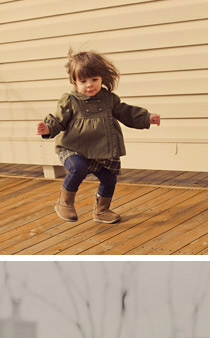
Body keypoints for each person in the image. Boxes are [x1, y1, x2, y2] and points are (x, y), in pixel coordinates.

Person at [36, 49, 160, 224]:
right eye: (83, 81)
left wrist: (146, 118)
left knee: (109, 179)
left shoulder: (109, 99)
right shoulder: (70, 100)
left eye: (94, 79)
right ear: (74, 81)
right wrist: (47, 128)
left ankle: (102, 210)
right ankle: (64, 202)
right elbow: (58, 120)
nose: (90, 85)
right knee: (78, 168)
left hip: (101, 150)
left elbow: (126, 112)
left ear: (102, 78)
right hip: (72, 148)